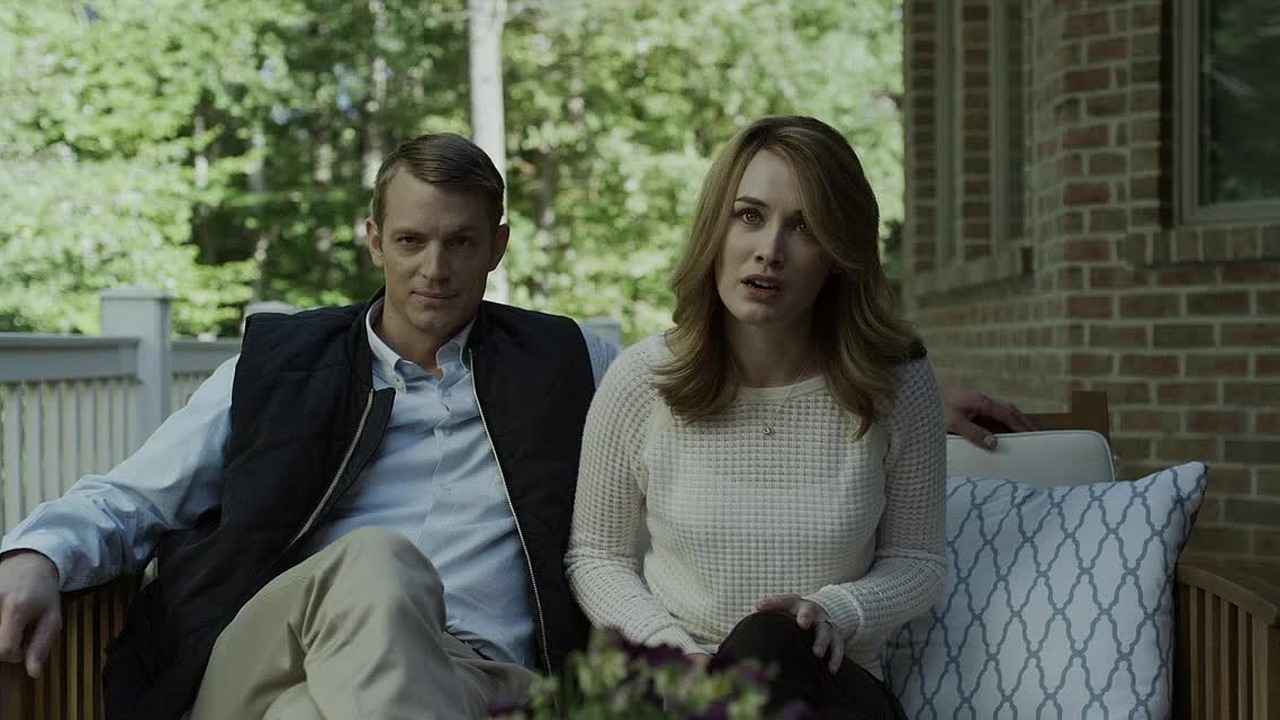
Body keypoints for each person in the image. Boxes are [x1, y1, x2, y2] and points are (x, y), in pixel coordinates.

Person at [0, 133, 617, 720]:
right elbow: (137, 496)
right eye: (410, 241)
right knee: (378, 562)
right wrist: (39, 552)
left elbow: (667, 434)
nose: (435, 268)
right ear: (375, 241)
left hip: (480, 683)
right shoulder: (279, 367)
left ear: (497, 247)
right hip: (272, 660)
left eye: (460, 242)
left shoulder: (569, 363)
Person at [566, 116, 950, 718]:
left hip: (832, 691)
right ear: (715, 229)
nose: (770, 250)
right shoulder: (642, 380)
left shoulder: (896, 381)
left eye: (804, 226)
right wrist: (673, 655)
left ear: (838, 254)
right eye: (749, 216)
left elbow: (920, 561)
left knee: (772, 636)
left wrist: (836, 611)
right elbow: (595, 557)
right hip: (682, 693)